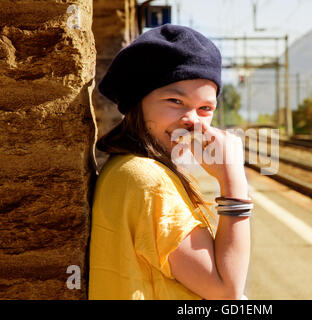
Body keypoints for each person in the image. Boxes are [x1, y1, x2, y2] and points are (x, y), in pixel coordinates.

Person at [88, 24, 251, 300]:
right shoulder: (147, 181)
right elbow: (227, 291)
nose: (193, 120)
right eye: (175, 100)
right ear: (137, 103)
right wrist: (232, 178)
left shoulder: (131, 168)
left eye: (205, 108)